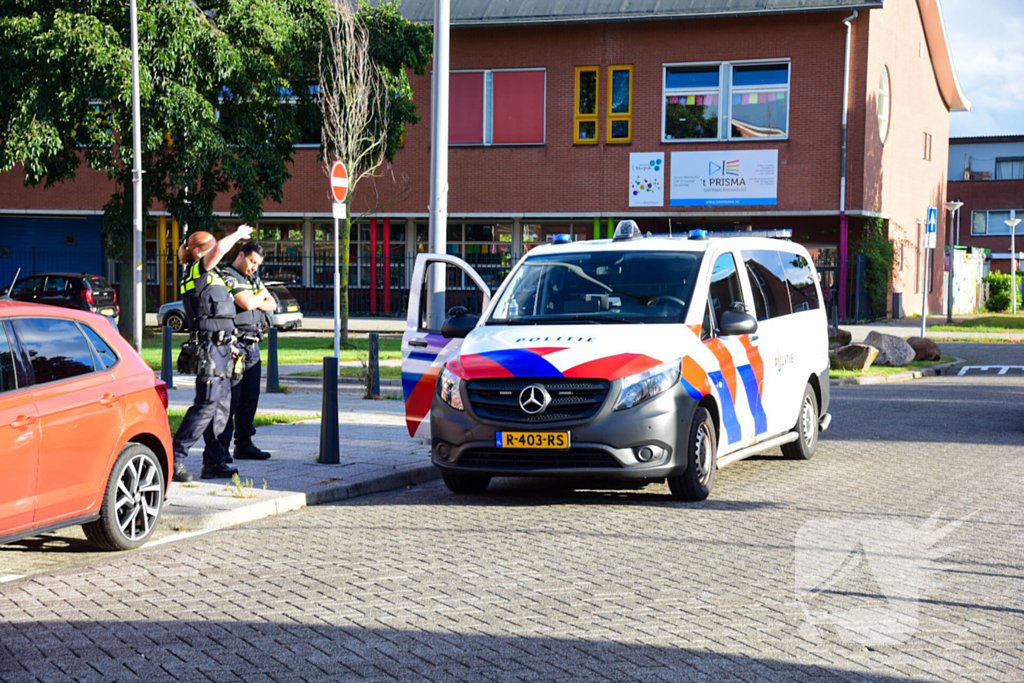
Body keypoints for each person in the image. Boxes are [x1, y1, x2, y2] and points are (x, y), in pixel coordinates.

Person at [171, 225, 253, 482]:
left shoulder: (213, 275)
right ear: (197, 252)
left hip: (222, 347)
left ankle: (214, 461)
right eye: (209, 249)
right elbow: (218, 250)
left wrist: (230, 343)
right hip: (208, 348)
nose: (217, 253)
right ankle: (175, 457)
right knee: (206, 405)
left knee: (221, 407)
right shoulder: (195, 270)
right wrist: (238, 234)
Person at [209, 241, 277, 461]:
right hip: (235, 346)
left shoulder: (252, 278)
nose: (255, 267)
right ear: (241, 255)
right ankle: (222, 448)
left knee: (251, 397)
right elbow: (245, 303)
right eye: (252, 261)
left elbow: (273, 303)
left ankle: (244, 443)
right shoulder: (228, 275)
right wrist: (257, 300)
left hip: (253, 345)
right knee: (232, 398)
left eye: (258, 264)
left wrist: (255, 300)